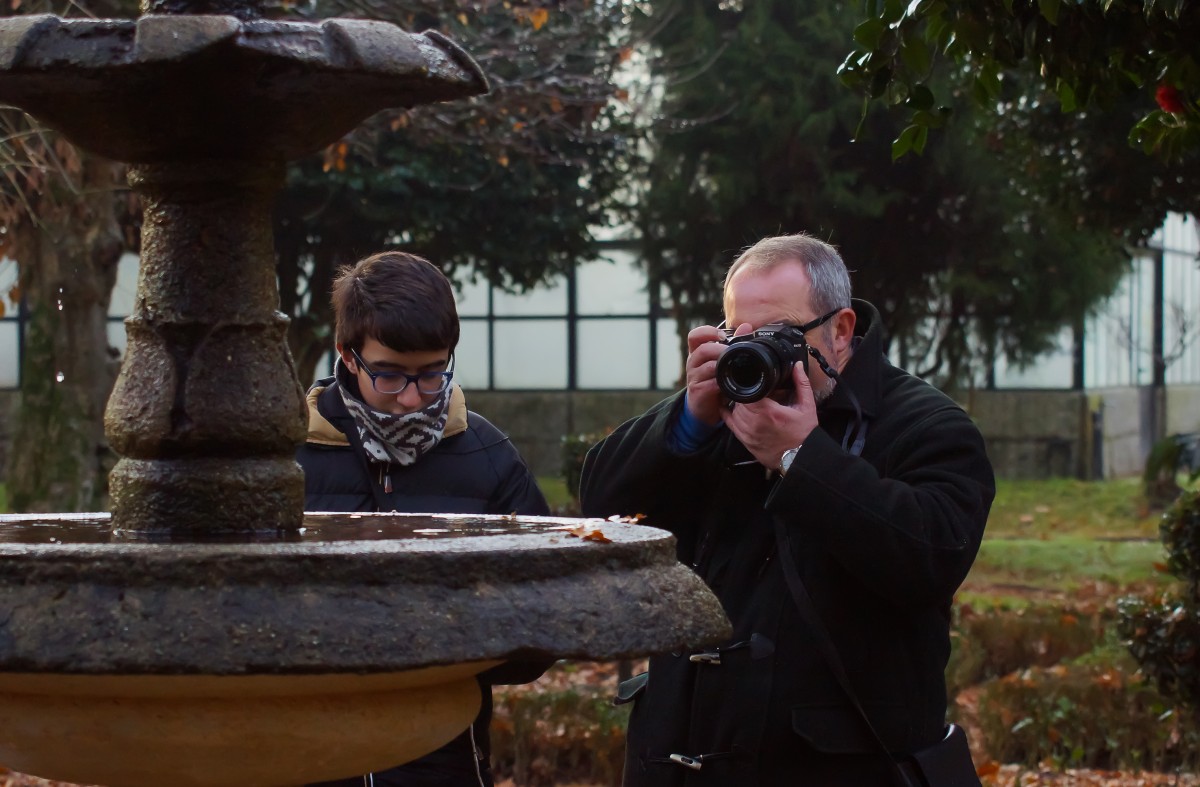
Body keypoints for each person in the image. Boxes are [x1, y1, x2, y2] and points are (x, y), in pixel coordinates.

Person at [580, 233, 994, 785]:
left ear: (840, 330)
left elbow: (931, 557)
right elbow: (600, 508)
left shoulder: (927, 426)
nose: (754, 352)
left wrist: (802, 459)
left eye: (778, 335)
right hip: (679, 756)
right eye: (736, 335)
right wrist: (686, 420)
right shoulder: (723, 410)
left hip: (835, 766)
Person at [298, 251, 550, 787]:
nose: (412, 398)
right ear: (347, 355)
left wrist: (446, 655)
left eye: (432, 374)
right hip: (302, 750)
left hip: (445, 757)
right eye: (389, 376)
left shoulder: (488, 454)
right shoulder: (284, 459)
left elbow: (545, 614)